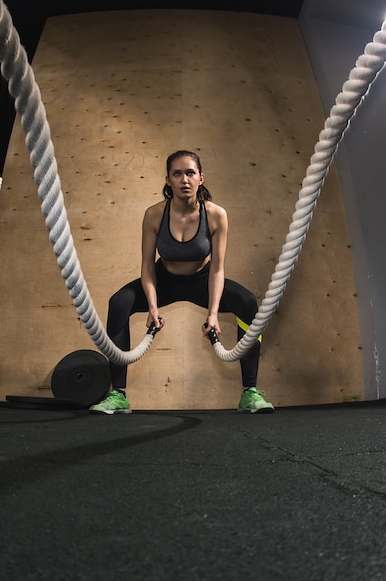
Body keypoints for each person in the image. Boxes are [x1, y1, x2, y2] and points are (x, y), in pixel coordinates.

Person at [90, 150, 274, 414]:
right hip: (164, 279)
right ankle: (118, 395)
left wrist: (212, 314)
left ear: (201, 178)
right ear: (167, 180)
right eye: (177, 173)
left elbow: (218, 269)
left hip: (203, 280)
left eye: (190, 173)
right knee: (119, 302)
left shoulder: (216, 215)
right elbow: (146, 266)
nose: (184, 179)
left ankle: (250, 393)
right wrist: (153, 307)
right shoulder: (154, 215)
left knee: (247, 303)